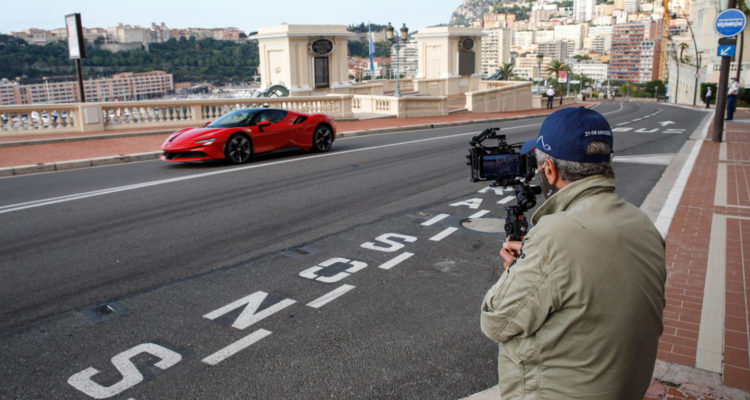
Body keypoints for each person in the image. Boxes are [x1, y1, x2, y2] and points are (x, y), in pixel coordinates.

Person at [480, 107, 666, 399]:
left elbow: (496, 322)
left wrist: (515, 270)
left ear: (550, 170)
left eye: (540, 165)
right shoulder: (642, 224)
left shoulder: (554, 236)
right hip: (626, 387)